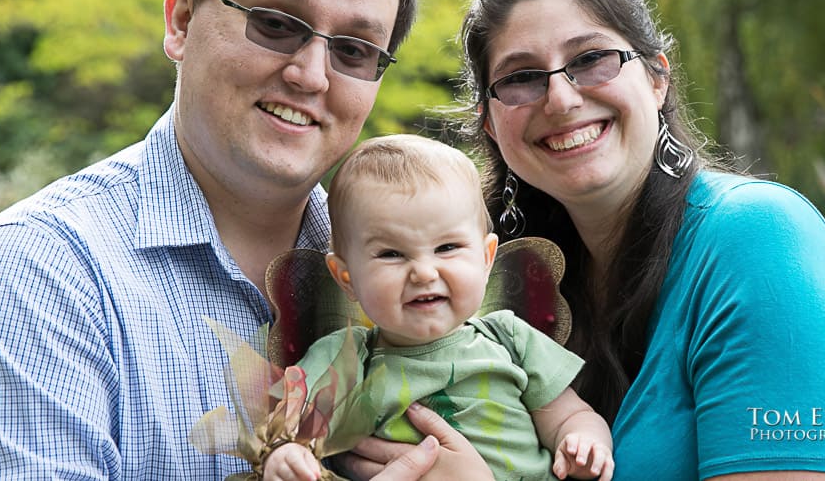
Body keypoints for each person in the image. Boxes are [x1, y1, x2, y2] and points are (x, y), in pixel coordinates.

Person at [0, 0, 489, 480]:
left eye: (354, 50)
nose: (309, 74)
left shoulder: (415, 270)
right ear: (182, 20)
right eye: (276, 24)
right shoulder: (39, 281)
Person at [448, 0, 825, 479]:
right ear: (490, 124)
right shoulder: (497, 294)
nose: (560, 99)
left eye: (590, 60)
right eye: (520, 77)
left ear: (657, 78)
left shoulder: (761, 240)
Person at [262, 134, 614, 481]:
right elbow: (289, 424)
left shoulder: (510, 339)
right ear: (347, 277)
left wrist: (582, 440)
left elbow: (569, 416)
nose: (424, 272)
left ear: (486, 258)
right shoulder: (345, 358)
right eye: (391, 254)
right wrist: (286, 452)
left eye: (447, 247)